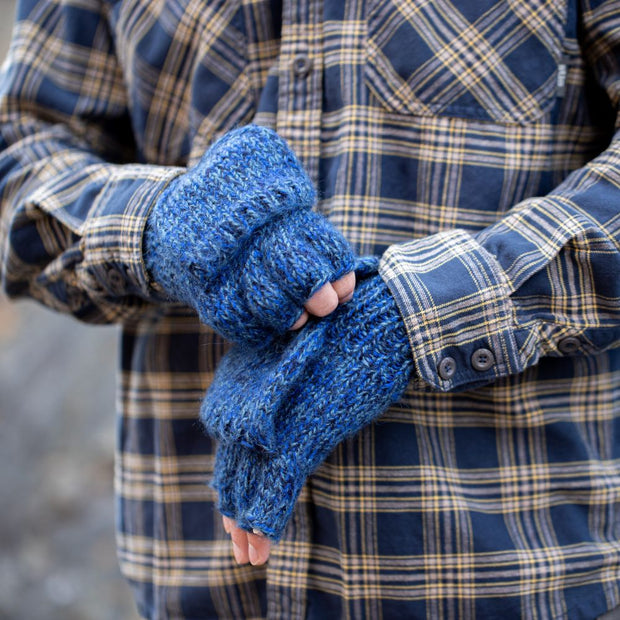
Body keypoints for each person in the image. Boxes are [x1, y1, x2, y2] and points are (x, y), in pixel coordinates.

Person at [0, 0, 618, 617]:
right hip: (197, 587)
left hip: (512, 575)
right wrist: (158, 225)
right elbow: (22, 154)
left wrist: (416, 314)